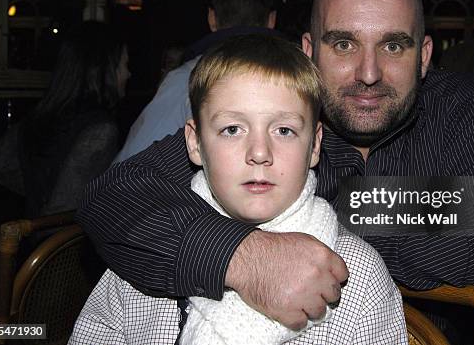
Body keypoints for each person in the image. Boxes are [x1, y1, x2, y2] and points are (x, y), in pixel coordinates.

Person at [78, 0, 474, 330]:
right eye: (343, 44)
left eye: (394, 46)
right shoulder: (277, 114)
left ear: (424, 56)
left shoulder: (464, 107)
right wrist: (241, 256)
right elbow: (113, 194)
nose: (369, 73)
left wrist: (342, 211)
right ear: (308, 50)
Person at [70, 34, 407, 345]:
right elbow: (112, 190)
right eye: (233, 129)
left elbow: (447, 219)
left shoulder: (361, 277)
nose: (259, 152)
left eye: (284, 131)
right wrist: (235, 253)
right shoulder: (141, 261)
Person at [114, 0, 280, 162]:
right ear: (271, 20)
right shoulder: (294, 79)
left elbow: (130, 167)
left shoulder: (185, 79)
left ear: (211, 18)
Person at [0, 21, 129, 218]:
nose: (129, 74)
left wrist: (38, 190)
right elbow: (61, 211)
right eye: (125, 65)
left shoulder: (42, 114)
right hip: (62, 246)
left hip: (33, 243)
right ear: (103, 69)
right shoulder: (101, 131)